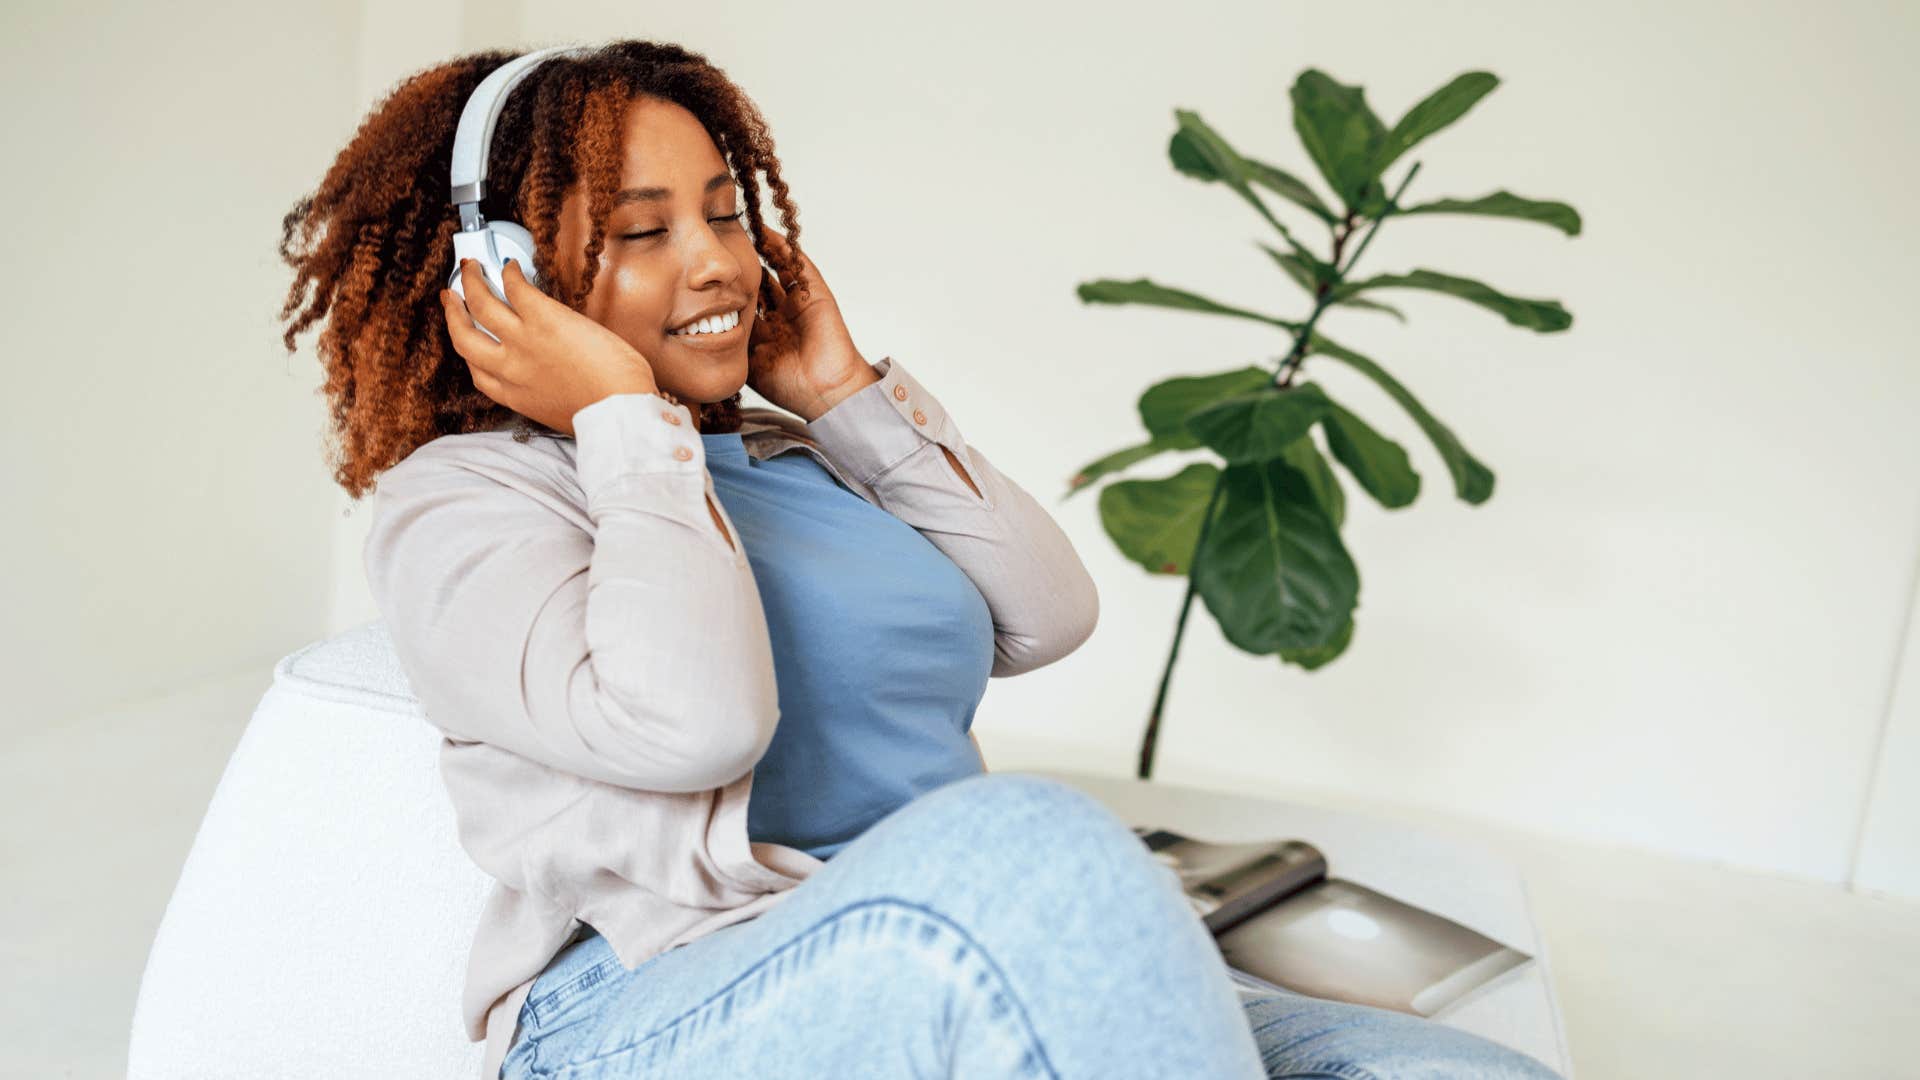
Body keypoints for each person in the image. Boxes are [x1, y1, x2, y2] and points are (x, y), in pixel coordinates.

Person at [276, 40, 1562, 1080]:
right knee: (1036, 840)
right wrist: (621, 416)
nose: (721, 259)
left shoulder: (793, 454)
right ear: (504, 277)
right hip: (659, 1010)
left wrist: (842, 393)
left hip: (968, 945)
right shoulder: (465, 503)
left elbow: (1045, 616)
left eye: (728, 213)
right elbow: (693, 728)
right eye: (644, 231)